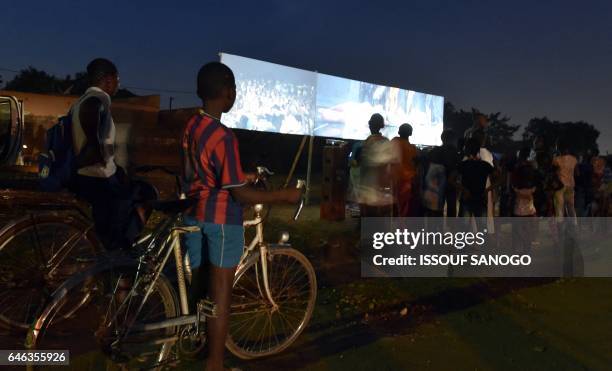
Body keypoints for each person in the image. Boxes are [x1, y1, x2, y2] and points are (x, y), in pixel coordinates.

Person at [181, 62, 302, 371]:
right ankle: (216, 364)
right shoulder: (223, 136)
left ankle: (198, 343)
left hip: (195, 213)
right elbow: (240, 196)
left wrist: (240, 175)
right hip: (221, 220)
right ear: (226, 93)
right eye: (233, 89)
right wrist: (284, 196)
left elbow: (205, 171)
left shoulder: (193, 124)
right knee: (221, 294)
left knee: (203, 286)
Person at [70, 58, 145, 251]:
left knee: (108, 228)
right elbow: (94, 146)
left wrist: (116, 168)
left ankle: (114, 254)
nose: (118, 84)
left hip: (92, 176)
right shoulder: (96, 101)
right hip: (98, 178)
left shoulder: (80, 102)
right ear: (108, 79)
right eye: (117, 79)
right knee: (143, 195)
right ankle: (120, 256)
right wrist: (107, 168)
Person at [359, 113, 393, 217]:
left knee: (369, 211)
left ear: (371, 125)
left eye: (371, 124)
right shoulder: (386, 141)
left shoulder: (367, 141)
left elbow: (364, 161)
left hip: (368, 182)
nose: (370, 126)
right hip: (381, 182)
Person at [424, 129, 460, 217]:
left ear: (442, 138)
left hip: (436, 185)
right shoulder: (455, 152)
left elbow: (426, 164)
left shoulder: (434, 151)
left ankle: (437, 228)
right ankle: (451, 229)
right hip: (451, 184)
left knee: (437, 209)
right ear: (453, 140)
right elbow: (458, 167)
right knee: (451, 208)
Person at [457, 138, 495, 220]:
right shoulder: (485, 165)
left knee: (464, 229)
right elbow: (501, 177)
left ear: (467, 149)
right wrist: (487, 190)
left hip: (467, 199)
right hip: (481, 198)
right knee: (482, 228)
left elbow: (451, 179)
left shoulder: (464, 165)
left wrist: (463, 189)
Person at [390, 123, 419, 216]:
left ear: (399, 132)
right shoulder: (413, 149)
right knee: (404, 208)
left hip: (395, 180)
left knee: (395, 205)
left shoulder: (394, 141)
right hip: (407, 182)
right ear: (411, 133)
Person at [552, 140, 578, 223]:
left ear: (559, 148)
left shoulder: (557, 159)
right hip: (571, 185)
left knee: (559, 209)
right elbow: (577, 173)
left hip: (560, 186)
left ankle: (560, 231)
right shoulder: (574, 159)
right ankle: (573, 228)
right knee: (571, 208)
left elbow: (552, 171)